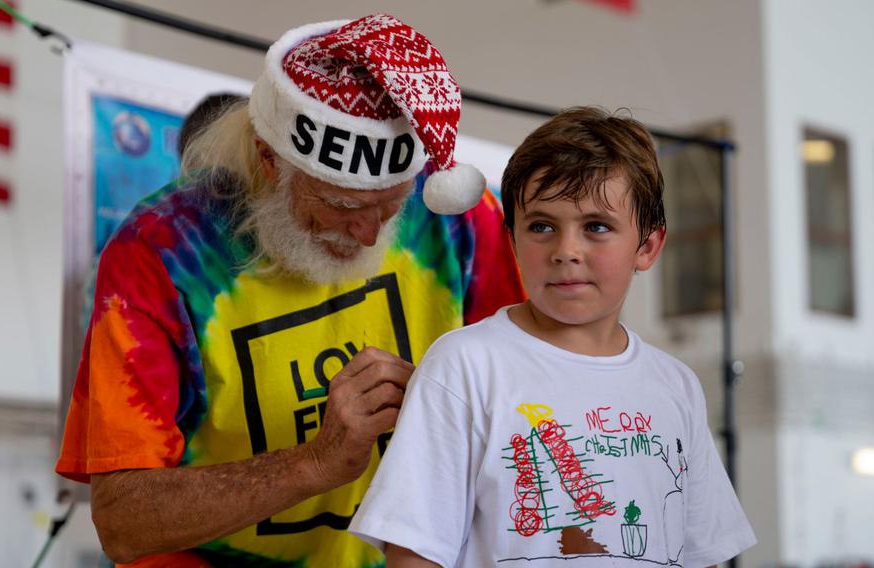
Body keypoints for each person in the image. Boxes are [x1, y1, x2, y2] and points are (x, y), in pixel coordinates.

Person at [55, 14, 524, 568]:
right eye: (343, 205)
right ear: (269, 158)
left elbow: (526, 403)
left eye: (392, 206)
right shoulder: (159, 252)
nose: (370, 234)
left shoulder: (462, 223)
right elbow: (122, 520)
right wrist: (315, 463)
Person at [349, 107, 757, 567]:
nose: (566, 251)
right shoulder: (464, 365)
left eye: (596, 227)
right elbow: (414, 552)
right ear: (513, 239)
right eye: (542, 226)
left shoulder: (677, 386)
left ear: (647, 246)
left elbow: (701, 552)